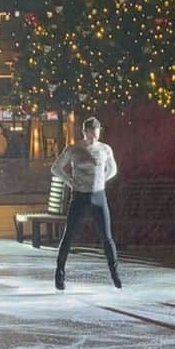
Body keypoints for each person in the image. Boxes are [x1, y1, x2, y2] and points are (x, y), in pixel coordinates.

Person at [51, 116, 121, 291]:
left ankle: (115, 274)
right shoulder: (74, 149)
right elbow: (56, 168)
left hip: (98, 196)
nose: (94, 139)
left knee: (107, 236)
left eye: (97, 135)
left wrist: (102, 180)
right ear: (85, 132)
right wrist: (70, 181)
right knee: (69, 235)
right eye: (91, 135)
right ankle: (59, 273)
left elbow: (113, 169)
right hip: (80, 196)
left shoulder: (105, 149)